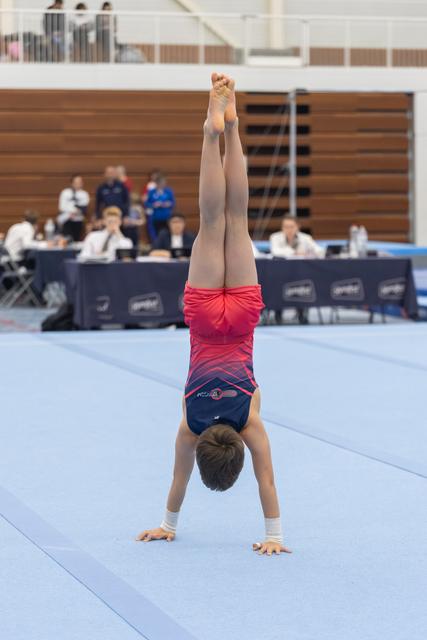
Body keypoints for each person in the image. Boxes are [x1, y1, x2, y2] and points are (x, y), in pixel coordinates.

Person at [136, 73, 291, 557]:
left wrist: (274, 537)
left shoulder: (252, 423)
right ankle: (212, 131)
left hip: (241, 315)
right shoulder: (190, 424)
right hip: (204, 316)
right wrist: (167, 524)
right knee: (212, 220)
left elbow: (267, 483)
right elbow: (177, 481)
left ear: (237, 452)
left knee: (235, 219)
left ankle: (234, 125)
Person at [57, 174, 90, 241]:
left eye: (79, 182)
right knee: (66, 239)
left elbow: (84, 208)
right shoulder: (65, 192)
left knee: (76, 239)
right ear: (71, 183)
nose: (77, 184)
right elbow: (62, 207)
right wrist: (73, 210)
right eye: (75, 182)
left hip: (78, 220)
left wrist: (75, 210)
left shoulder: (84, 194)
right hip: (66, 220)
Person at [145, 173, 176, 240]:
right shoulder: (151, 192)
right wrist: (154, 205)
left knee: (167, 234)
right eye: (160, 183)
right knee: (156, 235)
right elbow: (146, 203)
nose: (162, 184)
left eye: (163, 183)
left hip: (166, 217)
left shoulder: (168, 191)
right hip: (156, 218)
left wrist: (168, 204)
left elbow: (173, 203)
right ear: (156, 183)